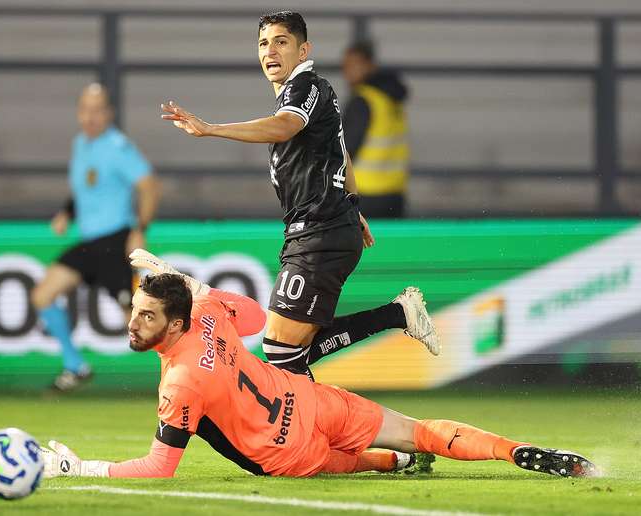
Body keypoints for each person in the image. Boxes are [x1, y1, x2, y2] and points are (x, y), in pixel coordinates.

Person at [40, 259, 598, 479]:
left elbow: (161, 468)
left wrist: (80, 468)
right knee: (422, 429)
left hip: (288, 453)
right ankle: (520, 453)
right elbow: (257, 318)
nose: (133, 325)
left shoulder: (179, 382)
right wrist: (192, 284)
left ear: (176, 325)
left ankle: (395, 462)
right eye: (135, 313)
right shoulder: (206, 312)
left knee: (356, 465)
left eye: (147, 316)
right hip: (311, 402)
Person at [159, 11, 438, 382]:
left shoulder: (304, 87)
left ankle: (394, 321)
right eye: (263, 43)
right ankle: (320, 426)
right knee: (287, 354)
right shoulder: (313, 93)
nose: (269, 50)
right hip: (322, 228)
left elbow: (285, 125)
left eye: (281, 41)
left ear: (303, 49)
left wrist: (212, 129)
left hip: (319, 232)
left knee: (280, 349)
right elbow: (342, 153)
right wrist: (351, 206)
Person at [30, 83, 160, 392]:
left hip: (115, 241)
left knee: (137, 320)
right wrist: (66, 212)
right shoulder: (81, 145)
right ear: (79, 113)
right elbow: (85, 190)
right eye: (86, 110)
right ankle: (75, 365)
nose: (91, 117)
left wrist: (139, 229)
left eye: (97, 110)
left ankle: (186, 377)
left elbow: (149, 186)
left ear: (109, 114)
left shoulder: (117, 146)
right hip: (89, 243)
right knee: (42, 295)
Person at [341, 40, 410, 218]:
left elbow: (346, 149)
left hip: (365, 193)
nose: (347, 72)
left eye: (353, 65)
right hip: (394, 193)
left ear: (369, 65)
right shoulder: (391, 99)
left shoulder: (363, 101)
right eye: (345, 66)